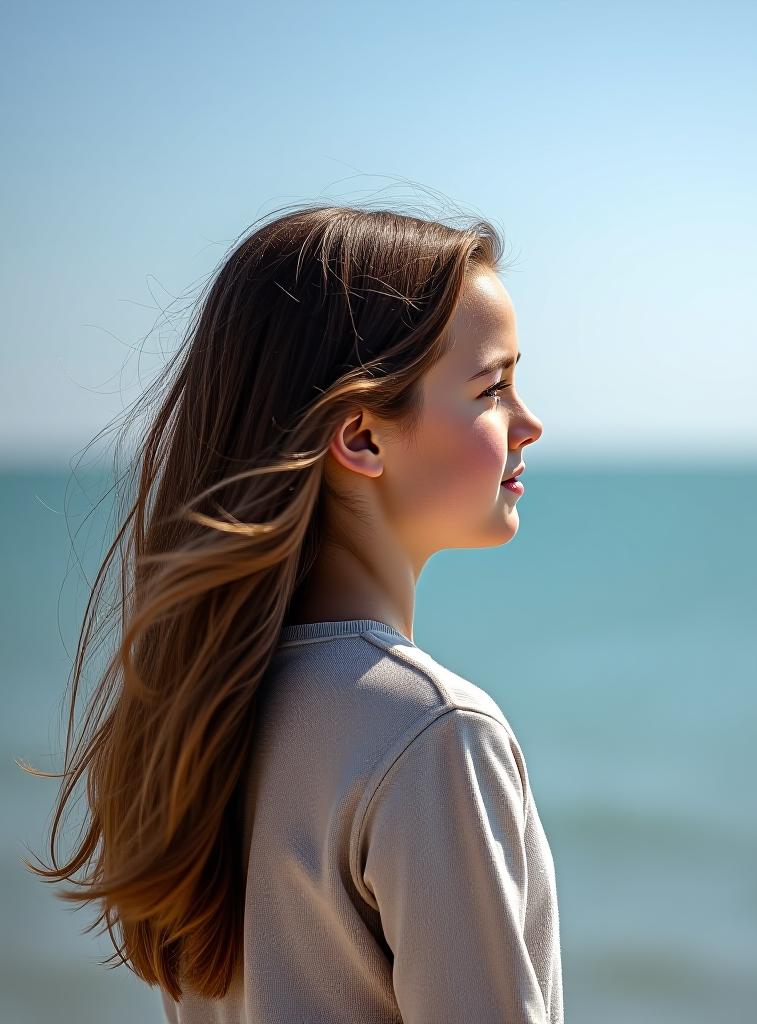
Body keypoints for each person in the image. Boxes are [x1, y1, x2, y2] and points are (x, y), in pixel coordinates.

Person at [23, 204, 563, 1023]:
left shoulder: (202, 712)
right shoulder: (432, 733)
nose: (530, 422)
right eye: (492, 388)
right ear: (362, 438)